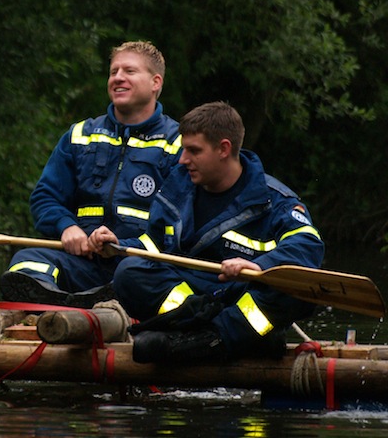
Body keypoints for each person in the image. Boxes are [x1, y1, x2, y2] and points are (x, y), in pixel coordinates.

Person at [110, 101, 324, 363]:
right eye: (183, 149)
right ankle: (213, 337)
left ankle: (214, 338)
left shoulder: (274, 200)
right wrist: (116, 245)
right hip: (194, 296)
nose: (183, 160)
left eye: (194, 151)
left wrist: (259, 266)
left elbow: (308, 246)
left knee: (293, 294)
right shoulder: (177, 185)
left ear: (224, 149)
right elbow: (153, 246)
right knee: (129, 273)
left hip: (241, 293)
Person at [0, 41, 182, 308]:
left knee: (133, 276)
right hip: (82, 263)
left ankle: (89, 306)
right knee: (26, 261)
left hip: (139, 265)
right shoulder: (81, 135)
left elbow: (178, 227)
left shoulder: (178, 144)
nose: (118, 78)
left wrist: (120, 244)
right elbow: (44, 198)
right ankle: (60, 305)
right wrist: (67, 227)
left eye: (129, 71)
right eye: (113, 71)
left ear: (155, 82)